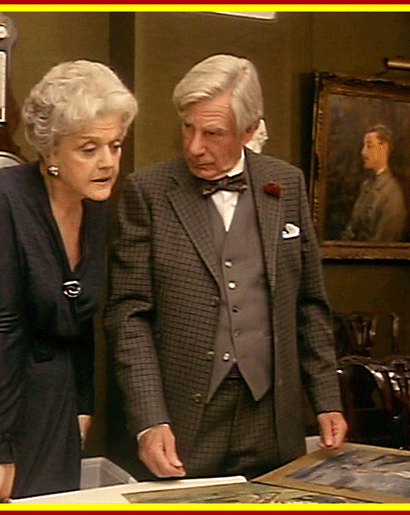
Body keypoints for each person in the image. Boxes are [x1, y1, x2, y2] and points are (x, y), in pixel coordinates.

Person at [104, 54, 347, 481]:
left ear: (249, 131)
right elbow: (129, 315)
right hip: (183, 423)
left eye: (213, 133)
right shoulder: (148, 191)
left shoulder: (285, 184)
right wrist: (149, 419)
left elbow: (309, 303)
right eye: (188, 128)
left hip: (273, 420)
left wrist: (326, 397)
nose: (194, 146)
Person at [0, 60, 137, 503]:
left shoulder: (96, 203)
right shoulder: (1, 199)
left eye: (115, 145)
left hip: (51, 393)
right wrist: (0, 452)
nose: (108, 162)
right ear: (50, 152)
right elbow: (5, 327)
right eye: (89, 149)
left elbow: (81, 312)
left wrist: (82, 401)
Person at [341, 124, 407, 242]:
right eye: (364, 146)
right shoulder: (366, 185)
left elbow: (382, 244)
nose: (363, 152)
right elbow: (351, 229)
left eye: (369, 146)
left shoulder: (392, 194)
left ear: (383, 148)